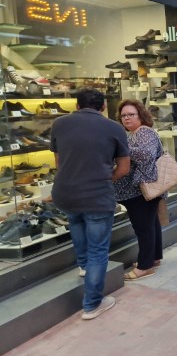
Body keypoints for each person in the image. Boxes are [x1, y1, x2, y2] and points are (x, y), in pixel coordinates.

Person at [51, 88, 130, 320]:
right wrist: (104, 179)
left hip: (66, 193)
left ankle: (84, 268)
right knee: (98, 249)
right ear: (103, 107)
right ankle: (92, 304)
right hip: (97, 195)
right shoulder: (114, 127)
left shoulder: (59, 124)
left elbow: (58, 162)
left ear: (77, 106)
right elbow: (124, 168)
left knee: (76, 225)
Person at [114, 99, 165, 281]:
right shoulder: (135, 133)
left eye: (131, 114)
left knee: (144, 228)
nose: (126, 118)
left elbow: (146, 155)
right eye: (123, 115)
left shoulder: (143, 132)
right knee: (151, 225)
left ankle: (145, 267)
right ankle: (153, 258)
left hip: (141, 189)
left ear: (140, 115)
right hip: (143, 188)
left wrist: (121, 147)